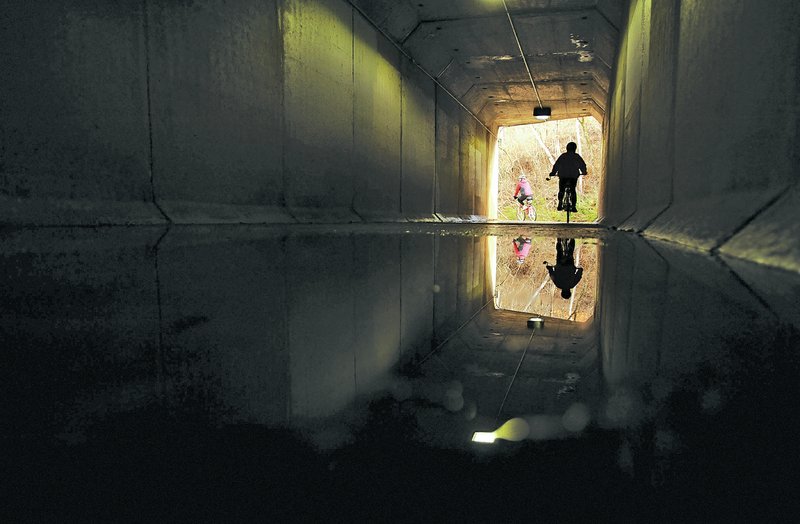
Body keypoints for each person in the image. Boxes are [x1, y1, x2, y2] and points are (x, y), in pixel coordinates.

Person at [548, 142, 587, 212]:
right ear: (575, 148)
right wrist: (584, 172)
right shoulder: (576, 156)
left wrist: (553, 173)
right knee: (573, 190)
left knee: (561, 190)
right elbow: (582, 165)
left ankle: (560, 204)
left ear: (567, 148)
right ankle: (574, 206)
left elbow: (556, 165)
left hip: (563, 176)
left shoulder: (563, 156)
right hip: (573, 176)